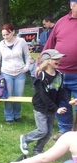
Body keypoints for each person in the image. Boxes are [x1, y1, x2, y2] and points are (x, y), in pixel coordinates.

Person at [19, 49, 70, 156]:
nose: (59, 60)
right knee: (43, 131)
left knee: (48, 133)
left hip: (51, 108)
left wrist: (69, 100)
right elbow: (43, 97)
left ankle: (37, 150)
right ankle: (25, 138)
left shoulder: (59, 75)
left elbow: (61, 91)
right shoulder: (41, 77)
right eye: (55, 58)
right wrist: (57, 109)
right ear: (47, 61)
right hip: (41, 107)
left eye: (59, 58)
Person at [42, 0, 77, 141]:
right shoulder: (61, 22)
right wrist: (41, 65)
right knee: (61, 103)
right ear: (72, 4)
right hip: (59, 73)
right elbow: (49, 45)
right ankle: (64, 130)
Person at [0, 23, 31, 124]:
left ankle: (17, 115)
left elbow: (28, 56)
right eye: (4, 35)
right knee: (8, 96)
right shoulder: (0, 45)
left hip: (20, 73)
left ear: (13, 32)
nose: (6, 37)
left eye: (8, 34)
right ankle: (9, 117)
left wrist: (27, 67)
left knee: (18, 96)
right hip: (6, 73)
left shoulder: (21, 42)